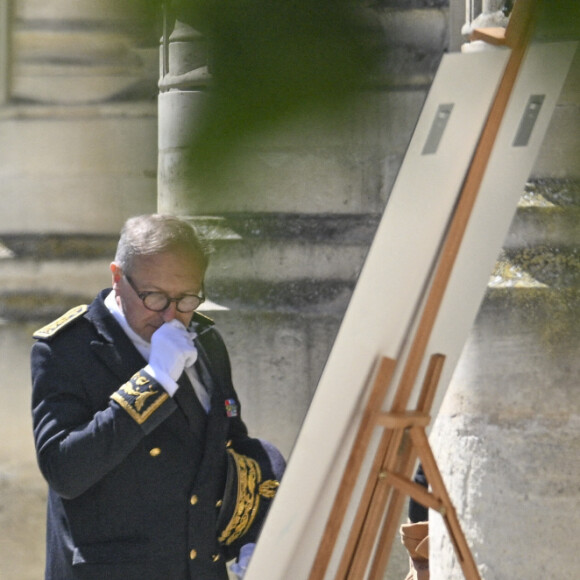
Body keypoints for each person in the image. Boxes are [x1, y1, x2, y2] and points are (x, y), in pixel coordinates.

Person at [31, 214, 284, 580]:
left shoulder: (204, 339)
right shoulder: (68, 349)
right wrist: (155, 380)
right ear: (117, 279)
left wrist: (255, 532)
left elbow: (230, 444)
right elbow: (65, 471)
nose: (170, 315)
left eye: (186, 298)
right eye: (154, 296)